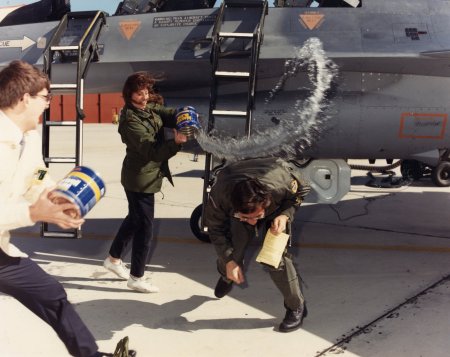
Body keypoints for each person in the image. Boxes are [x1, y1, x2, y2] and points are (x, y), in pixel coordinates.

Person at [0, 60, 135, 357]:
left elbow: (34, 174)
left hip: (1, 253)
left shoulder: (29, 138)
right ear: (25, 99)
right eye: (45, 98)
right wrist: (35, 213)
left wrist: (56, 196)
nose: (48, 105)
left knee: (52, 295)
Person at [103, 72, 187, 293]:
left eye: (146, 92)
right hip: (140, 180)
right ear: (129, 94)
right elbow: (151, 151)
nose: (144, 96)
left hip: (145, 176)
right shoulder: (131, 121)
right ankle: (137, 277)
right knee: (145, 228)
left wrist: (180, 114)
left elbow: (164, 112)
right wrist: (176, 143)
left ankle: (113, 259)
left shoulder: (147, 107)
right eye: (139, 93)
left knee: (134, 219)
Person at [204, 157, 311, 333]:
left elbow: (301, 192)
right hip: (240, 200)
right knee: (231, 253)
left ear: (265, 201)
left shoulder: (280, 180)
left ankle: (296, 306)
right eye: (246, 218)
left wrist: (285, 215)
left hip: (277, 212)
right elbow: (215, 229)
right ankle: (226, 275)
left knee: (275, 259)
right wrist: (230, 261)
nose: (253, 223)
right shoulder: (221, 194)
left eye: (256, 217)